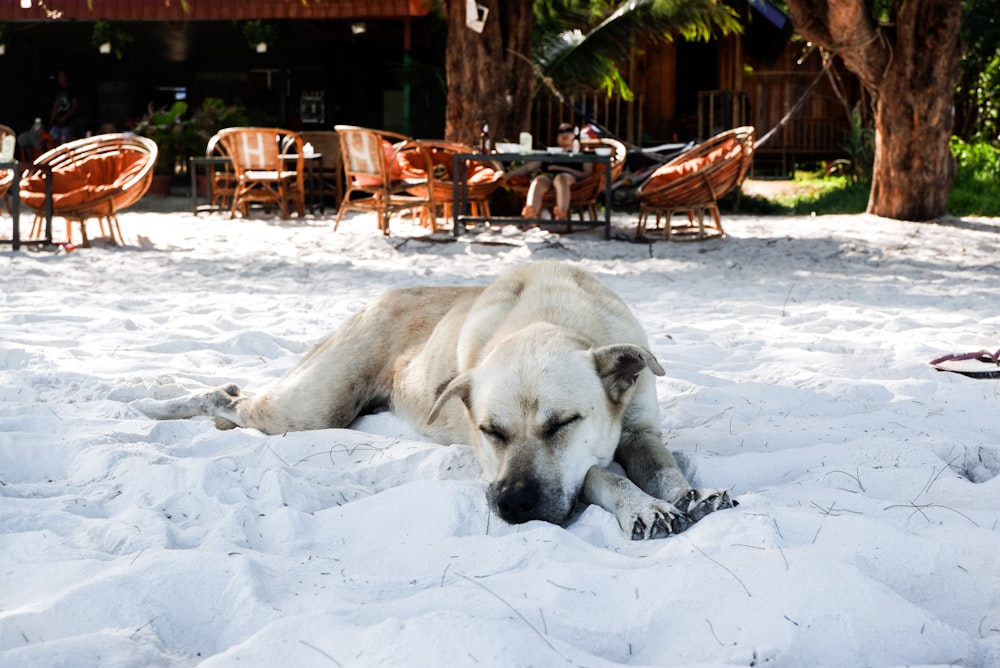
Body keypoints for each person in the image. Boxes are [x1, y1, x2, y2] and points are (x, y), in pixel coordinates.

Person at [507, 122, 593, 220]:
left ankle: (561, 212)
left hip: (570, 178)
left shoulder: (582, 153)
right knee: (538, 180)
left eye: (568, 131)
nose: (564, 134)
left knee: (561, 178)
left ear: (574, 134)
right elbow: (528, 168)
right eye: (560, 132)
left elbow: (587, 173)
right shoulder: (550, 152)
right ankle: (531, 213)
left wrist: (560, 168)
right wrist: (508, 175)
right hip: (548, 177)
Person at [48, 69, 78, 145]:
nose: (60, 78)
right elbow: (55, 105)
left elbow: (74, 107)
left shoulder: (72, 90)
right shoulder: (57, 90)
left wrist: (65, 117)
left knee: (65, 142)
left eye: (62, 76)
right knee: (51, 140)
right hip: (57, 122)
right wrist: (51, 121)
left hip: (68, 122)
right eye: (59, 76)